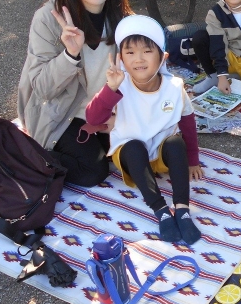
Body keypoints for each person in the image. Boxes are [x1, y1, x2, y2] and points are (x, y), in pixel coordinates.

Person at [18, 0, 132, 187]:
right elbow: (42, 89)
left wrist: (121, 115)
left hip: (104, 108)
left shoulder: (123, 18)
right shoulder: (48, 19)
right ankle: (20, 158)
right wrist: (69, 55)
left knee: (139, 153)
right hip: (62, 112)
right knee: (92, 171)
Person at [85, 15, 203, 245]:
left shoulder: (174, 87)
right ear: (121, 58)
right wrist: (110, 88)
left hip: (160, 156)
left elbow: (188, 122)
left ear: (163, 57)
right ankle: (161, 211)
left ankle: (182, 209)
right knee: (133, 147)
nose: (138, 59)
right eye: (130, 52)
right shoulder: (119, 86)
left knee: (175, 142)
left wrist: (193, 160)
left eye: (147, 51)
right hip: (131, 158)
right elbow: (93, 118)